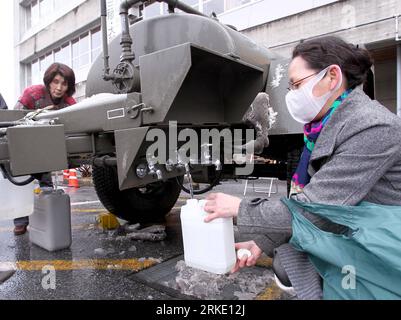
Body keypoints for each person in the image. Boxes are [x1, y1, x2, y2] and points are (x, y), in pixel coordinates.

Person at [203, 36, 401, 299]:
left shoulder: (373, 127)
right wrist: (262, 242)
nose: (292, 95)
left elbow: (317, 207)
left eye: (297, 85)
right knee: (286, 262)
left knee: (296, 264)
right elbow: (313, 203)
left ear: (332, 77)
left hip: (384, 246)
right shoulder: (324, 127)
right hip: (360, 229)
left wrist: (239, 207)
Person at [13, 62, 76, 236]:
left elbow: (74, 126)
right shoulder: (32, 94)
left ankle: (48, 219)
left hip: (45, 147)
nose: (59, 87)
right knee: (19, 180)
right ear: (48, 81)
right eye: (56, 82)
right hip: (25, 142)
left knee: (46, 180)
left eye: (64, 84)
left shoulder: (69, 102)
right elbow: (15, 118)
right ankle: (20, 221)